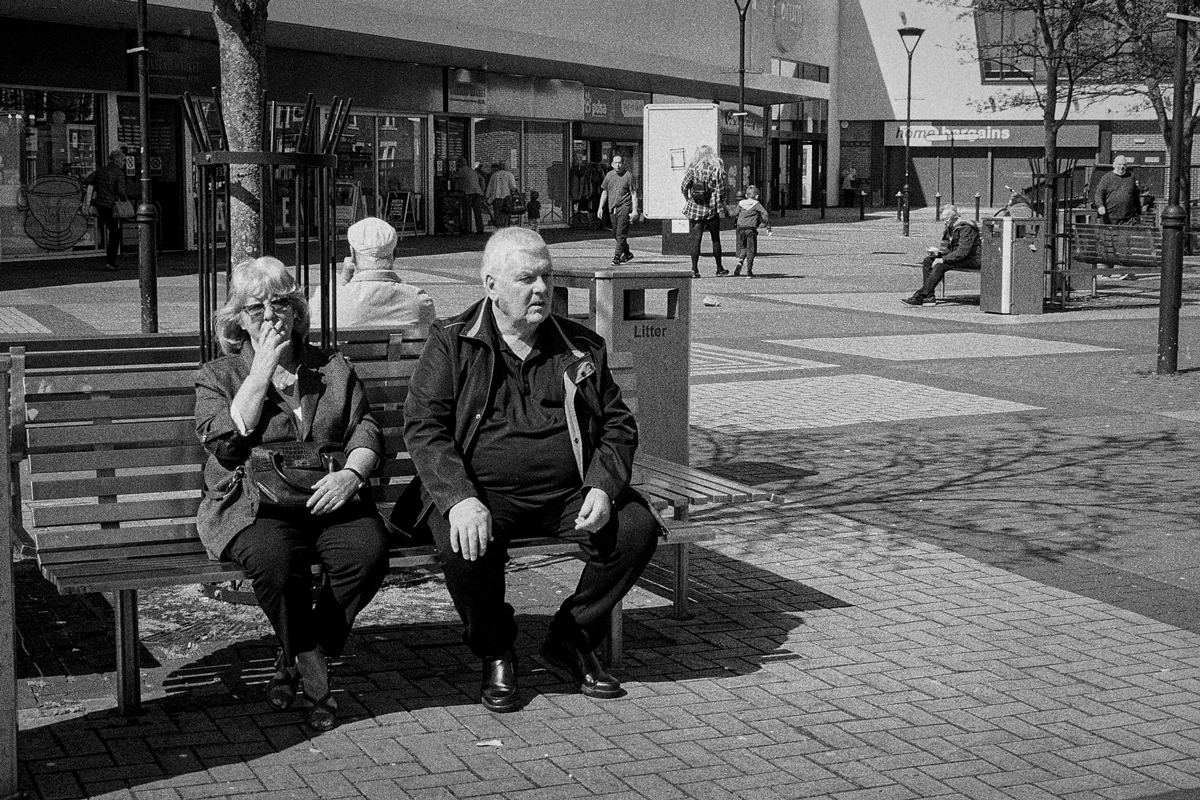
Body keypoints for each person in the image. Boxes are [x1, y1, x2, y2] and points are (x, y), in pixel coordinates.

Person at [392, 227, 661, 714]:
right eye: (526, 279)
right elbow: (424, 427)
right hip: (482, 492)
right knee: (464, 544)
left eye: (546, 277)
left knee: (637, 529)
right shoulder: (452, 342)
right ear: (491, 284)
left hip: (566, 494)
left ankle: (570, 638)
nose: (541, 289)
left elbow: (619, 427)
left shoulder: (580, 346)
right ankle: (496, 650)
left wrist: (602, 487)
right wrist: (459, 499)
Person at [195, 256, 390, 732]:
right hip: (253, 504)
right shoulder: (216, 375)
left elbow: (365, 429)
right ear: (236, 318)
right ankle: (312, 663)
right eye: (255, 307)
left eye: (279, 303)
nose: (269, 315)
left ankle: (295, 655)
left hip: (327, 494)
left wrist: (352, 475)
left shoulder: (332, 367)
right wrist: (260, 371)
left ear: (297, 310)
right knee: (277, 566)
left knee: (368, 553)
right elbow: (224, 440)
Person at [313, 217, 436, 337]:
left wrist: (343, 278)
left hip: (346, 357)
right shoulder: (419, 300)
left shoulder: (330, 299)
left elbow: (311, 325)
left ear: (352, 254)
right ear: (395, 254)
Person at [901, 204, 980, 307]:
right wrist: (938, 253)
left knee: (940, 266)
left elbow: (962, 251)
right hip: (959, 257)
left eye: (946, 219)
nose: (945, 222)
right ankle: (929, 297)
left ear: (954, 216)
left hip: (972, 259)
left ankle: (919, 296)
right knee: (928, 261)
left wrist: (943, 259)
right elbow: (950, 248)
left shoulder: (966, 227)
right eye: (943, 220)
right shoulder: (951, 226)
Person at [680, 145, 729, 278]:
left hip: (696, 208)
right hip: (711, 208)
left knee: (696, 240)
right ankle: (719, 268)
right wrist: (724, 206)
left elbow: (684, 186)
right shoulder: (715, 170)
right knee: (715, 238)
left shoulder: (693, 170)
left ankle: (694, 269)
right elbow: (721, 191)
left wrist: (688, 198)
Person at [82, 149, 128, 272]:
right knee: (115, 232)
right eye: (123, 160)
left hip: (100, 205)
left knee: (111, 229)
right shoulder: (119, 173)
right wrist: (125, 202)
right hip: (111, 205)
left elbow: (88, 180)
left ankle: (110, 260)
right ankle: (111, 261)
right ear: (117, 161)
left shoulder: (101, 170)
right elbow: (121, 192)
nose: (124, 163)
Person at [597, 155, 641, 266]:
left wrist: (634, 210)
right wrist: (600, 208)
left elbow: (633, 193)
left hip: (624, 207)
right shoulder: (609, 175)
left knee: (621, 233)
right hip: (612, 208)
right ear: (612, 164)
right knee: (616, 233)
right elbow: (605, 192)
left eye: (620, 163)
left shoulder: (628, 176)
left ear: (623, 163)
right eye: (615, 163)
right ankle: (627, 252)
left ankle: (616, 257)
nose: (618, 165)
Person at [733, 184, 772, 278]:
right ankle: (749, 271)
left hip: (740, 228)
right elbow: (765, 214)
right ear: (757, 196)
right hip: (750, 229)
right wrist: (766, 225)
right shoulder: (756, 204)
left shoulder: (741, 203)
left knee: (743, 247)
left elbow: (734, 213)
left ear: (746, 195)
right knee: (751, 250)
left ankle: (740, 261)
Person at [1095, 155, 1142, 226]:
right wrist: (1100, 206)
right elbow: (1099, 194)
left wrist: (1139, 212)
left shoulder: (1131, 177)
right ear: (1114, 165)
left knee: (1125, 237)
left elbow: (1135, 197)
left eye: (1124, 165)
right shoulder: (1107, 178)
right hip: (1109, 218)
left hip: (1127, 219)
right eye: (1119, 164)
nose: (1122, 167)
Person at [454, 157, 487, 234]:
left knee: (466, 211)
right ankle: (480, 228)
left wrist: (456, 193)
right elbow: (482, 179)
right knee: (477, 211)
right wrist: (482, 190)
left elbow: (454, 179)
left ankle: (466, 228)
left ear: (459, 164)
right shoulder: (473, 171)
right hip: (477, 192)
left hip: (467, 193)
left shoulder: (460, 171)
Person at [486, 161, 518, 229]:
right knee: (506, 215)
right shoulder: (509, 174)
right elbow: (513, 187)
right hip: (507, 198)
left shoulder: (494, 175)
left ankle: (499, 229)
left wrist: (487, 196)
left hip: (496, 198)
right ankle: (505, 228)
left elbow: (489, 187)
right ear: (506, 167)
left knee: (497, 215)